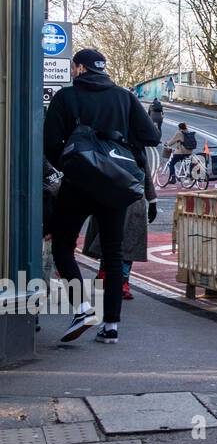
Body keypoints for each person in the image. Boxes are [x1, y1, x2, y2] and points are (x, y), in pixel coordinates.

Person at [43, 48, 160, 344]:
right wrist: (119, 144)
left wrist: (71, 163)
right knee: (112, 253)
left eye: (74, 67)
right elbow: (151, 137)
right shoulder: (124, 96)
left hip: (78, 184)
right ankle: (111, 326)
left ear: (80, 68)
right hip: (115, 186)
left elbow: (48, 143)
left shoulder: (66, 98)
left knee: (63, 246)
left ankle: (82, 307)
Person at [86, 169, 157, 302]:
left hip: (126, 198)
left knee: (125, 242)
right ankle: (117, 279)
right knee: (116, 240)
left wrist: (152, 200)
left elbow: (145, 171)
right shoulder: (134, 148)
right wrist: (152, 200)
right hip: (114, 196)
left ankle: (115, 278)